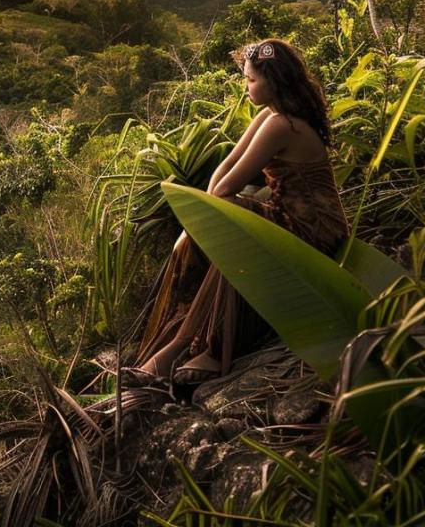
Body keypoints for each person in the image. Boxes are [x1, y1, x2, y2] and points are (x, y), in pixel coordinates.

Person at [121, 39, 350, 387]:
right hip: (288, 216)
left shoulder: (282, 126)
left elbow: (226, 190)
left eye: (251, 81)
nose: (246, 88)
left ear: (275, 81)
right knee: (214, 225)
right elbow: (225, 167)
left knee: (232, 227)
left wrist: (212, 208)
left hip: (314, 227)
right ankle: (177, 344)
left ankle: (199, 347)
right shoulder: (269, 117)